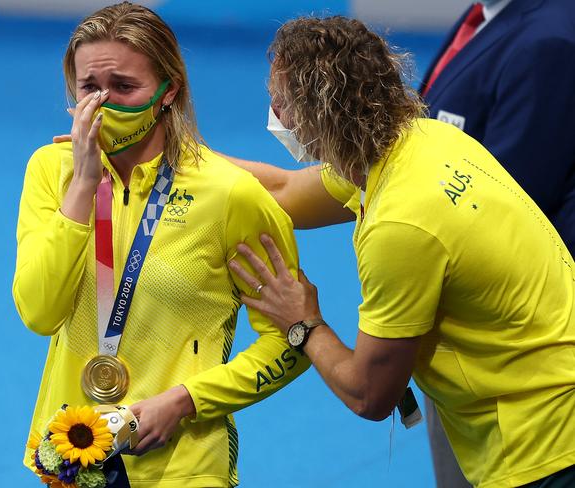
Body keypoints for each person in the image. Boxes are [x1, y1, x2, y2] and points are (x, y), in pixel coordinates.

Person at [224, 15, 575, 488]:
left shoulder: (400, 224)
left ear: (320, 114)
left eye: (281, 103)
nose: (274, 116)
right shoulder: (425, 139)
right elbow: (285, 191)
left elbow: (369, 394)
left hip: (543, 448)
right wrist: (178, 158)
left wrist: (301, 323)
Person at [12, 3, 309, 487]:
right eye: (89, 88)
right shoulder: (52, 171)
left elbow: (292, 343)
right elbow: (39, 312)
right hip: (71, 452)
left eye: (125, 87)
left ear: (170, 90)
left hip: (183, 464)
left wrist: (185, 401)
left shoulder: (230, 195)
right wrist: (84, 184)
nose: (104, 104)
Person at [420, 1, 575, 484]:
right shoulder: (482, 15)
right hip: (466, 333)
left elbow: (513, 196)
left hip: (507, 345)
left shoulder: (551, 40)